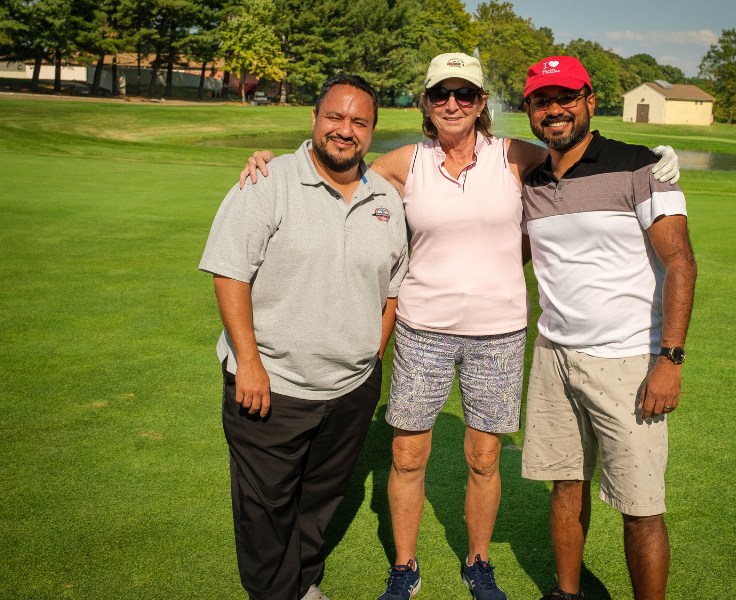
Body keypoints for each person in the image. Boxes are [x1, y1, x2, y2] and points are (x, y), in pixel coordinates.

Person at [238, 54, 681, 600]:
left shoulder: (515, 157)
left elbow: (576, 150)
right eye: (441, 94)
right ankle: (405, 567)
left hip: (499, 334)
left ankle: (478, 561)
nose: (453, 104)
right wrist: (278, 161)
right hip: (421, 329)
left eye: (465, 94)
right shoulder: (406, 163)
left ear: (481, 102)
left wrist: (651, 160)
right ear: (426, 103)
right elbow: (338, 163)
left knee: (485, 458)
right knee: (406, 456)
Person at [199, 73, 408, 600]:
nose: (345, 130)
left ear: (372, 131)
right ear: (313, 119)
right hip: (272, 383)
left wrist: (372, 357)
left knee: (319, 500)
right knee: (266, 510)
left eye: (359, 121)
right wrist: (249, 363)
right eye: (334, 116)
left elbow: (391, 291)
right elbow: (230, 273)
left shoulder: (386, 198)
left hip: (350, 389)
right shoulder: (268, 182)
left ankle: (303, 583)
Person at [518, 57, 698, 600]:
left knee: (641, 506)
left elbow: (681, 263)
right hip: (554, 355)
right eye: (541, 101)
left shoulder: (642, 167)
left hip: (628, 362)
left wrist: (670, 360)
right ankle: (567, 592)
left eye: (565, 98)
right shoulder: (532, 180)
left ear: (589, 100)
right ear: (529, 109)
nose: (554, 110)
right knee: (565, 485)